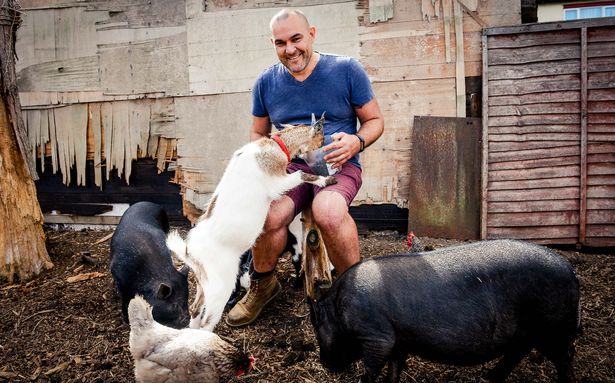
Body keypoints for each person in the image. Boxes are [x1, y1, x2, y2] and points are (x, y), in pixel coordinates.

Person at [226, 8, 384, 327]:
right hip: (291, 170)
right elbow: (258, 132)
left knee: (328, 212)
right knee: (266, 214)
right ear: (273, 43)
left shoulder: (346, 69)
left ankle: (356, 292)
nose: (290, 49)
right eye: (281, 43)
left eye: (296, 39)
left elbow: (375, 121)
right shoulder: (266, 82)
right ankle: (263, 284)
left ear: (312, 33)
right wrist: (265, 153)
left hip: (335, 165)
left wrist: (356, 142)